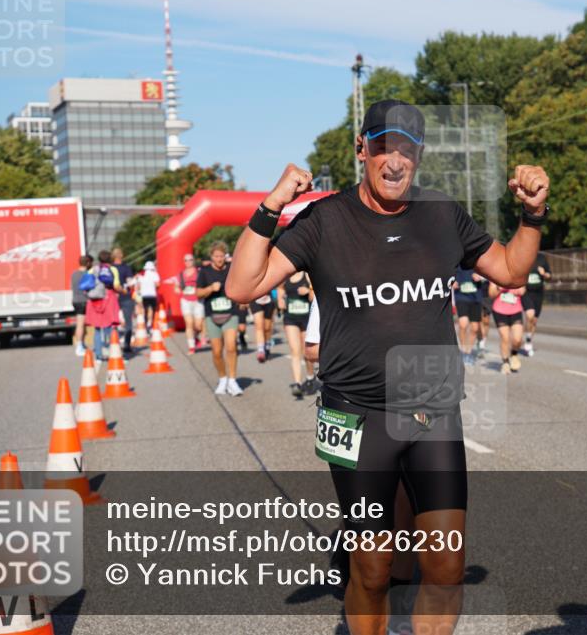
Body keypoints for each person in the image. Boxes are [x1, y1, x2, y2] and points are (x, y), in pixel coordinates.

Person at [225, 98, 548, 635]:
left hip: (431, 408)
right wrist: (271, 206)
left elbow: (512, 271)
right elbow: (241, 287)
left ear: (418, 156)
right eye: (382, 147)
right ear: (361, 150)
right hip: (356, 413)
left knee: (445, 565)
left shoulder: (442, 215)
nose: (394, 161)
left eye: (407, 149)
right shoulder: (323, 220)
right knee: (372, 569)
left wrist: (533, 213)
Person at [196, 242, 242, 396]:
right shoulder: (204, 272)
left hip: (231, 313)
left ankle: (233, 381)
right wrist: (210, 289)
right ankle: (223, 379)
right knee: (216, 351)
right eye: (216, 256)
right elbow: (197, 293)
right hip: (212, 315)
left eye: (221, 256)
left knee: (231, 347)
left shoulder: (231, 269)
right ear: (211, 257)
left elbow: (240, 285)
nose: (219, 259)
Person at [278, 272, 317, 398]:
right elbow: (279, 288)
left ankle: (310, 377)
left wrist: (308, 290)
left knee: (307, 353)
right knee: (295, 351)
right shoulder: (286, 275)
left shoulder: (307, 275)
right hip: (290, 318)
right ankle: (297, 384)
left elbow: (314, 296)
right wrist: (280, 299)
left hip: (307, 318)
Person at [85, 251, 123, 361]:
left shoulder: (93, 269)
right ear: (110, 259)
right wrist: (123, 291)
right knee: (109, 326)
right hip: (109, 297)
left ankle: (98, 355)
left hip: (95, 299)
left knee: (97, 328)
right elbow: (116, 285)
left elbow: (87, 283)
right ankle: (113, 352)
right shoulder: (113, 269)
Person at [489, 282, 525, 374]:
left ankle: (514, 354)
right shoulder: (496, 278)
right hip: (499, 310)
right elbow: (491, 294)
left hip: (515, 310)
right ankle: (505, 363)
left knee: (517, 339)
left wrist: (519, 289)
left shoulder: (516, 276)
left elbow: (523, 290)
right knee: (505, 338)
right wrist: (498, 288)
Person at [453, 267, 484, 365]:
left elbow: (490, 275)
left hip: (476, 299)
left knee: (475, 328)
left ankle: (468, 352)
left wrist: (481, 277)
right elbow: (447, 275)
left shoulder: (478, 262)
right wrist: (452, 282)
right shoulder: (457, 263)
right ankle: (462, 350)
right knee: (463, 324)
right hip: (461, 297)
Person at [522, 252, 551, 356]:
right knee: (530, 315)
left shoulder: (542, 258)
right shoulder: (524, 257)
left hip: (538, 293)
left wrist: (544, 274)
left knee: (534, 320)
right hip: (526, 292)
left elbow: (549, 275)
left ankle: (528, 340)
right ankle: (527, 339)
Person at [176, 253, 206, 354]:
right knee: (189, 323)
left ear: (193, 261)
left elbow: (204, 284)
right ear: (184, 262)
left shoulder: (199, 272)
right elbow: (177, 286)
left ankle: (196, 336)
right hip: (186, 300)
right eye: (186, 260)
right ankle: (191, 346)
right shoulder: (180, 274)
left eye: (190, 260)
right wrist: (177, 289)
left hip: (198, 300)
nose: (188, 262)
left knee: (198, 325)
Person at [111, 248, 136, 353]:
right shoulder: (126, 268)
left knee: (113, 322)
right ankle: (126, 345)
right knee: (128, 322)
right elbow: (130, 282)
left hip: (113, 298)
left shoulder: (110, 268)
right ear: (122, 255)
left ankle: (114, 344)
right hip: (126, 297)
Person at [70, 255, 93, 356]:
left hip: (75, 300)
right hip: (84, 301)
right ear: (88, 263)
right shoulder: (87, 274)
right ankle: (79, 346)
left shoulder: (74, 274)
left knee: (81, 324)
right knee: (80, 324)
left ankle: (81, 344)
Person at [250, 289, 277, 362]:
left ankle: (267, 346)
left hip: (268, 299)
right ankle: (261, 350)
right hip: (255, 300)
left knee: (267, 328)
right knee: (259, 326)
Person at [137, 260, 160, 329]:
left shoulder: (142, 275)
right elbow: (158, 284)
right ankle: (152, 324)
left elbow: (139, 286)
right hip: (152, 295)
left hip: (144, 295)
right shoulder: (155, 274)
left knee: (146, 310)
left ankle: (146, 324)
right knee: (153, 310)